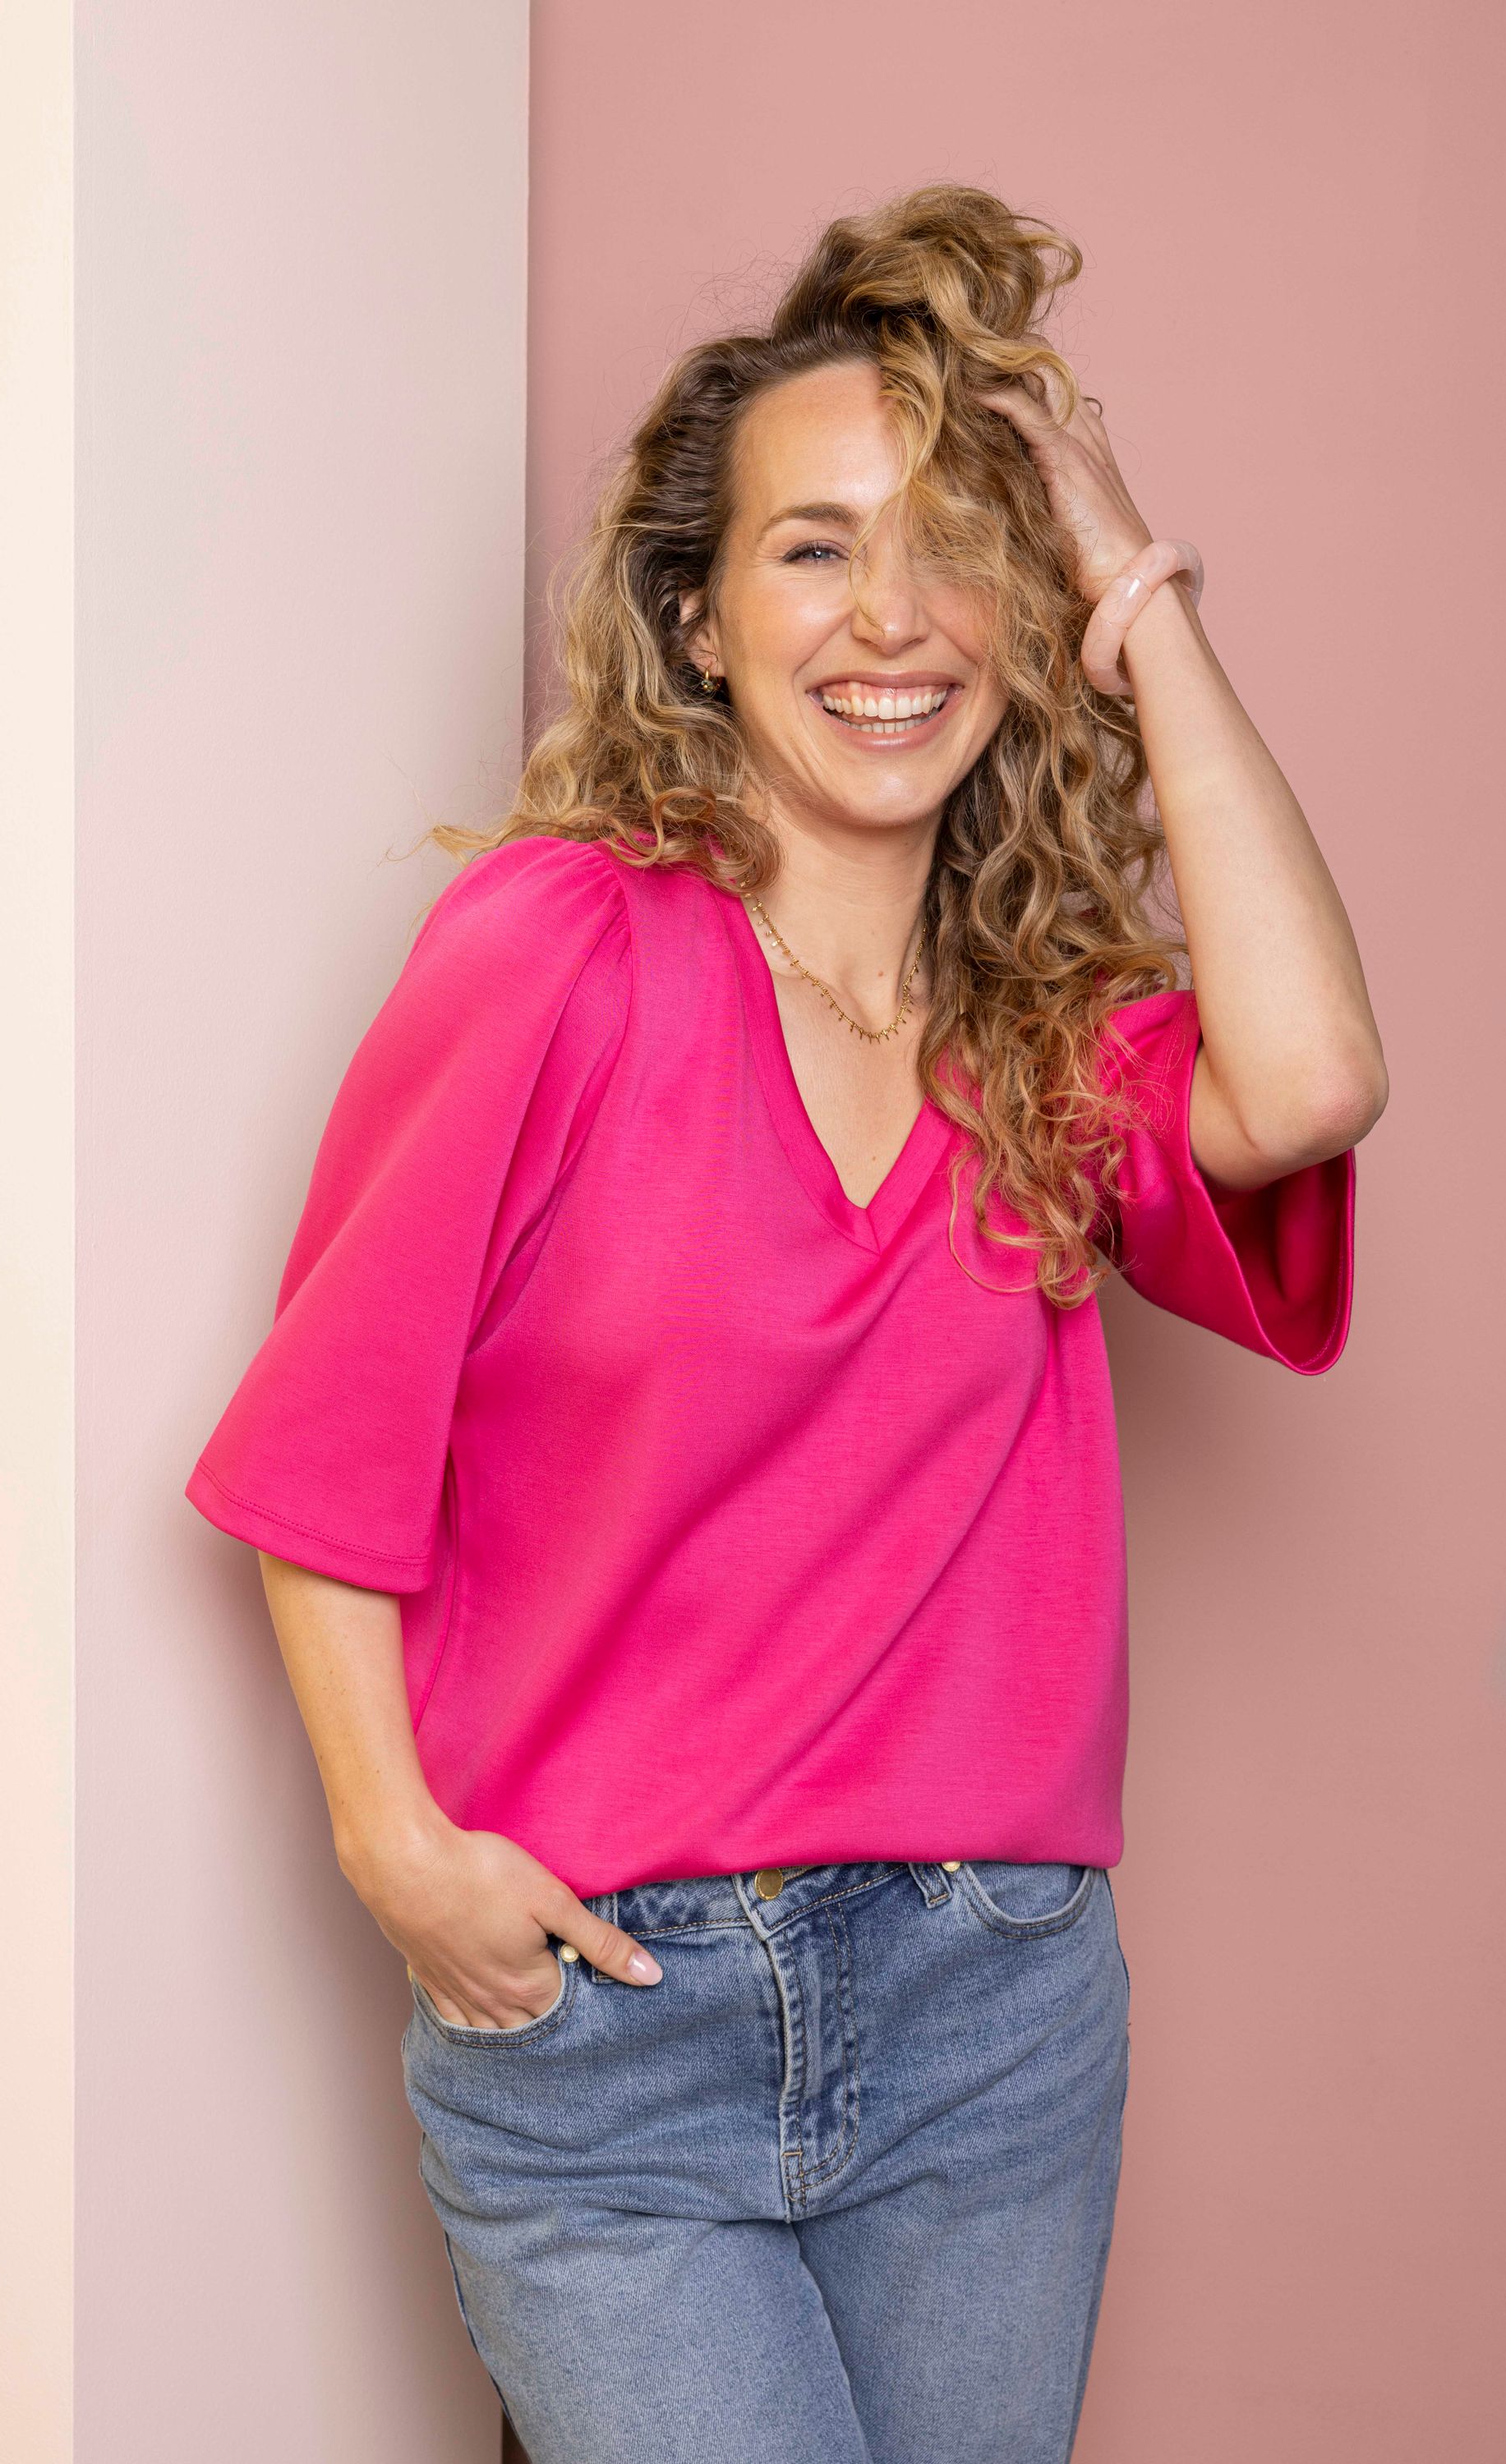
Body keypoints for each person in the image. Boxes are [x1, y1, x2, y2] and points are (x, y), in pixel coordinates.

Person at [185, 185, 1386, 2464]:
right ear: (700, 620)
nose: (891, 616)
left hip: (987, 2010)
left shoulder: (1042, 1032)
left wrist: (1135, 592)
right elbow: (325, 1446)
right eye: (814, 549)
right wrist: (392, 1846)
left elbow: (1313, 1080)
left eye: (951, 549)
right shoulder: (554, 949)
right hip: (611, 2029)